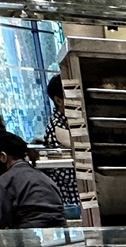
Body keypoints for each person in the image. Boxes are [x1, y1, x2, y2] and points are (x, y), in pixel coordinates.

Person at [0, 130, 65, 230]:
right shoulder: (43, 177)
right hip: (58, 232)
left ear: (3, 157)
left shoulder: (7, 179)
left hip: (28, 233)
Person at [40, 75, 81, 220]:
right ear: (58, 100)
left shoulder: (71, 123)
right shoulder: (57, 127)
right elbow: (65, 174)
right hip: (68, 199)